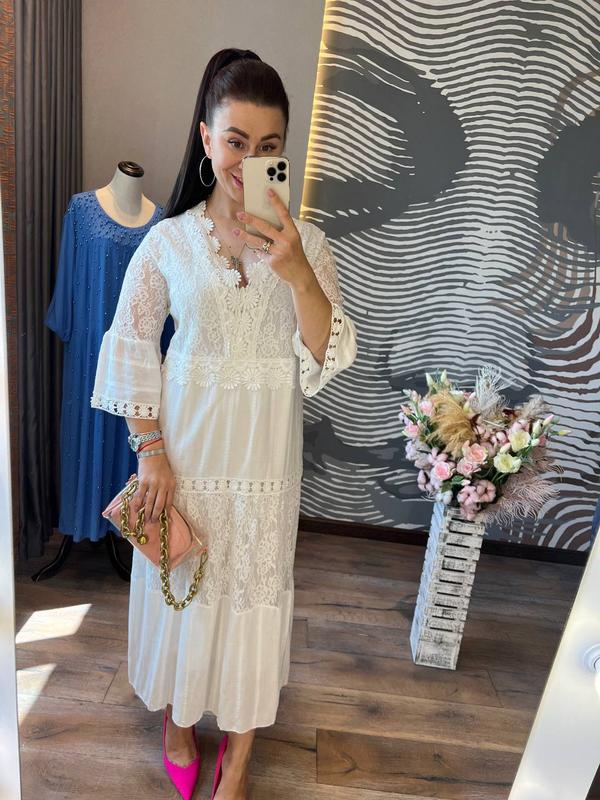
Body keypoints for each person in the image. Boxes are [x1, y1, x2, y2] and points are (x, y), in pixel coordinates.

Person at [91, 47, 358, 800]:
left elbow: (327, 354)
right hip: (186, 456)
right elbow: (131, 346)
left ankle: (237, 758)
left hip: (267, 462)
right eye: (236, 141)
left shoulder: (308, 245)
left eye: (269, 145)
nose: (248, 161)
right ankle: (178, 723)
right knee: (186, 582)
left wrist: (297, 272)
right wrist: (150, 453)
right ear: (206, 138)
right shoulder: (168, 242)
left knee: (253, 591)